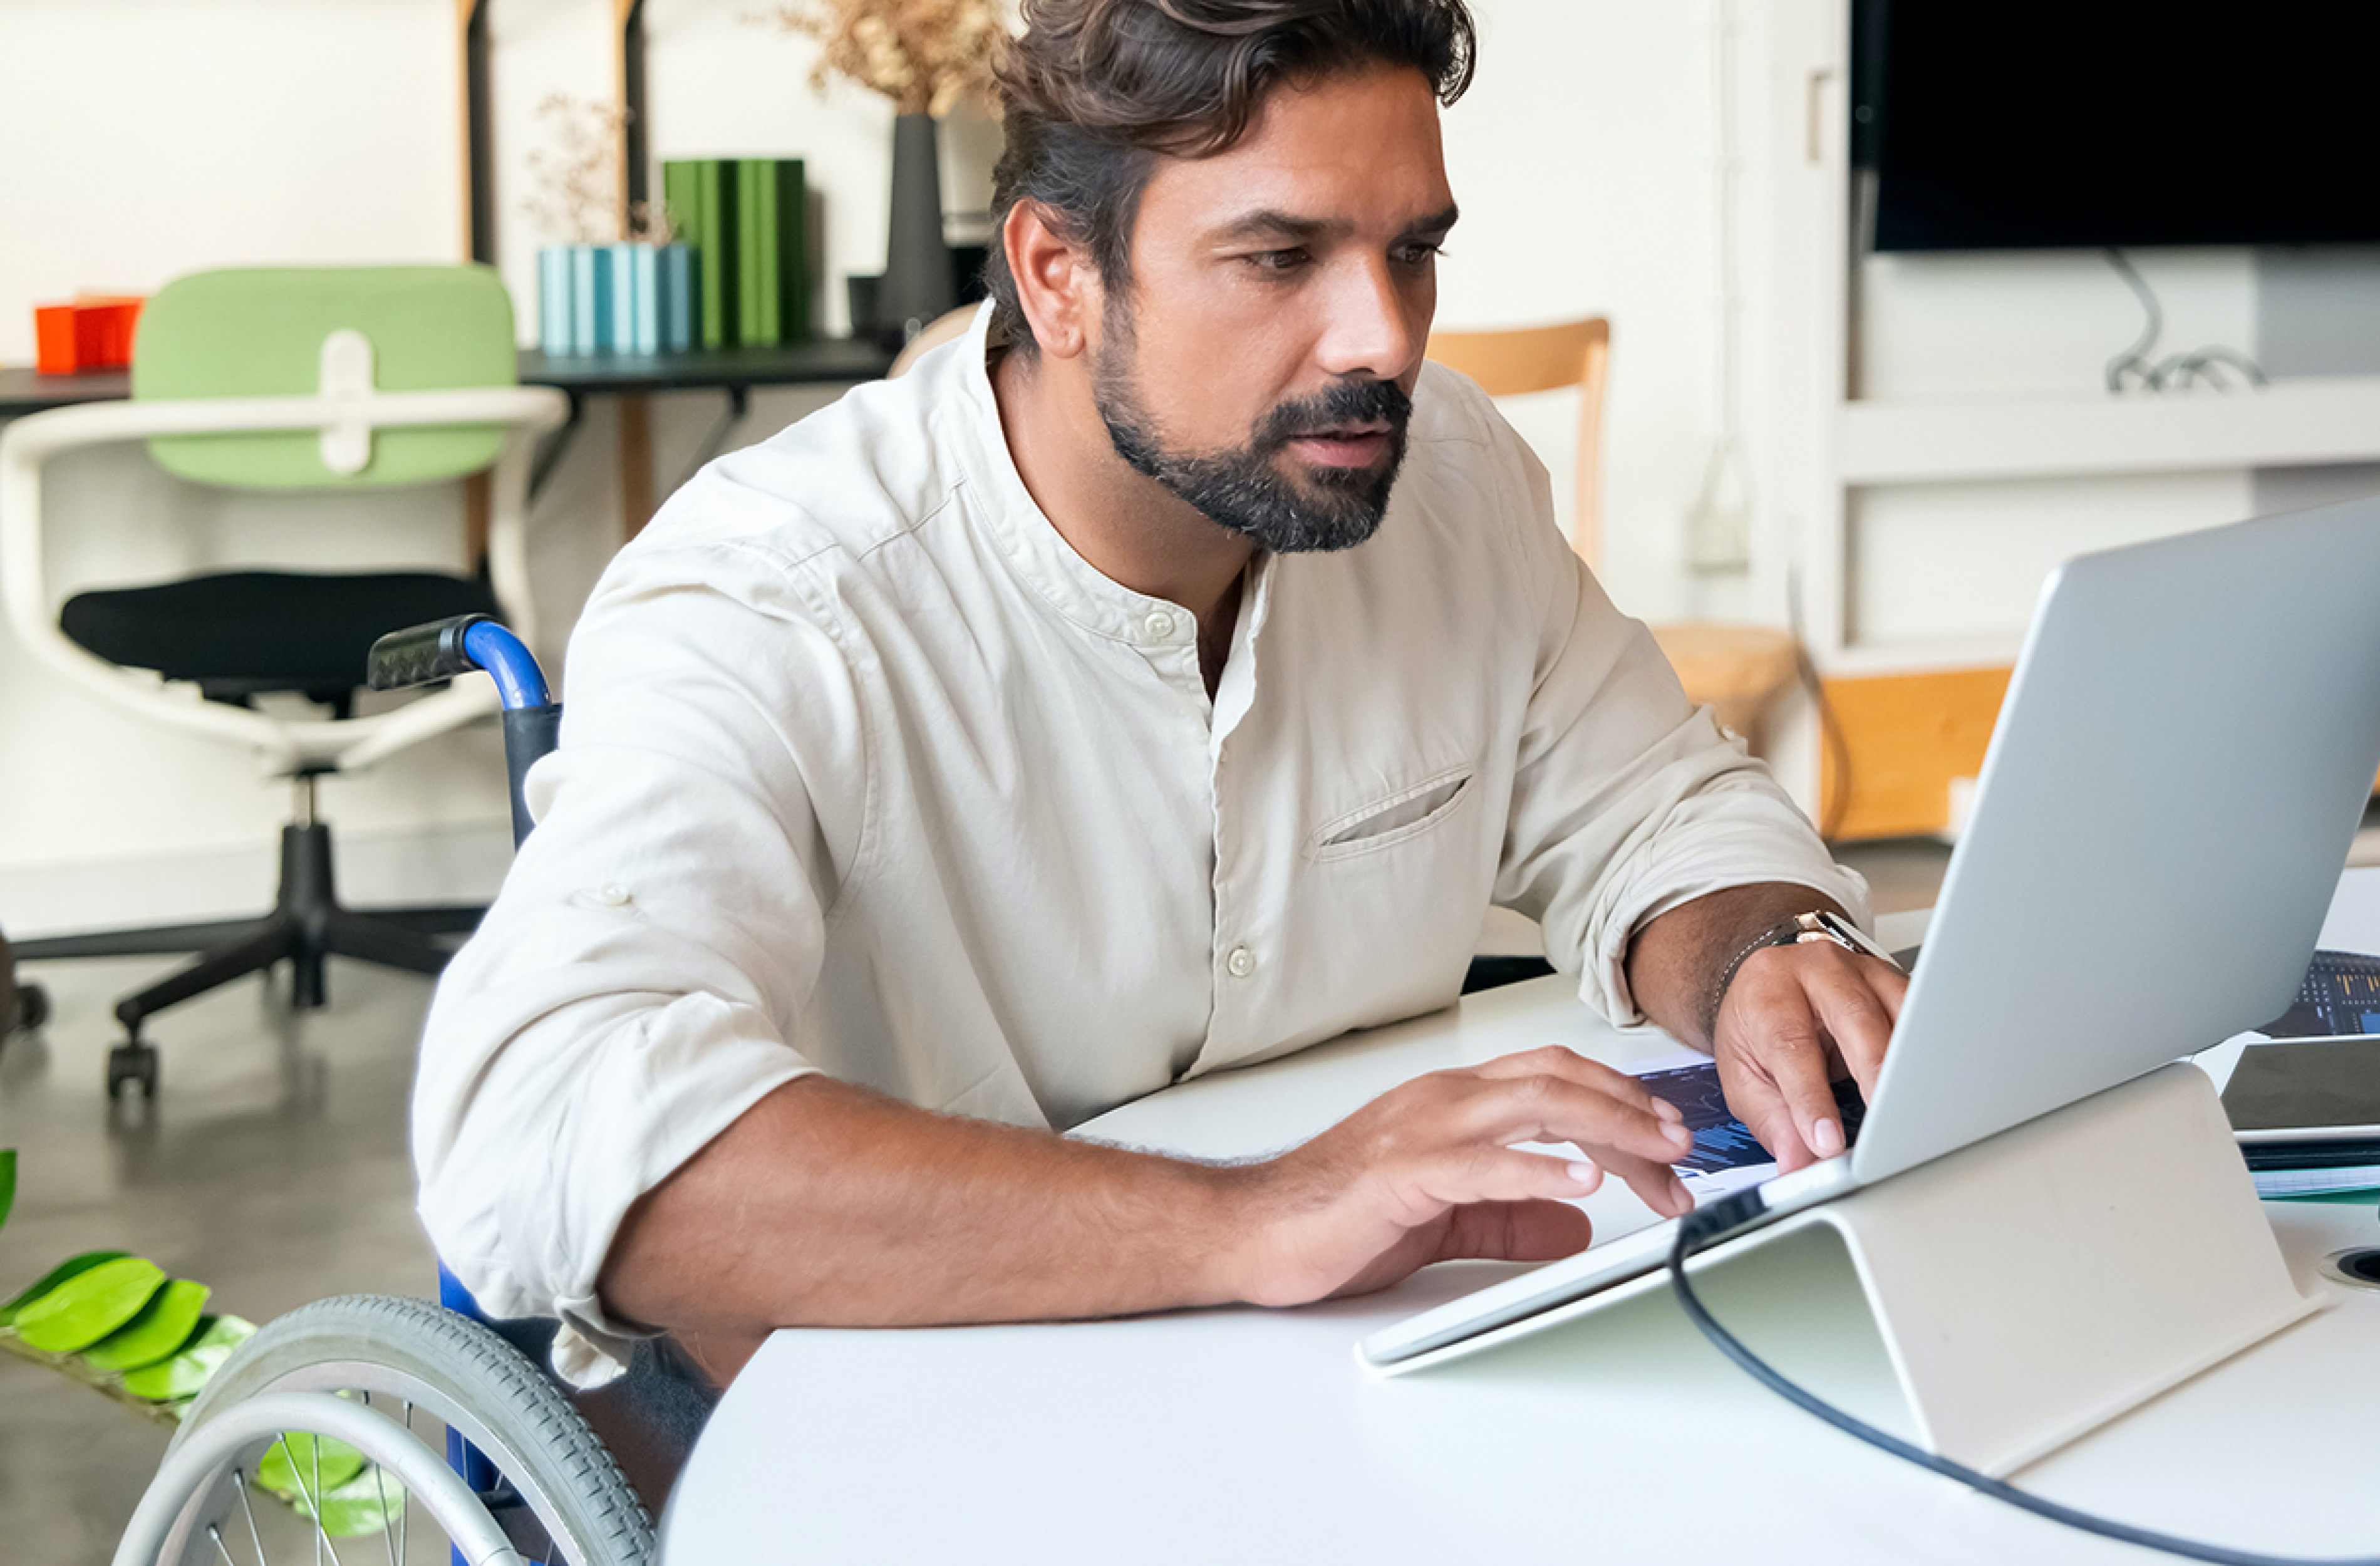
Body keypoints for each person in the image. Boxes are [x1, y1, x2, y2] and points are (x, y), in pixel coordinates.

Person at [415, 0, 1903, 1390]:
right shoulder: (778, 590)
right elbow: (540, 1124)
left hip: (1340, 1358)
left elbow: (1656, 807)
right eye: (1279, 257)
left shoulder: (1444, 476)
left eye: (1411, 252)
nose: (1383, 337)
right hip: (874, 1393)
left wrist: (1762, 944)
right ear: (1058, 274)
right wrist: (1260, 1213)